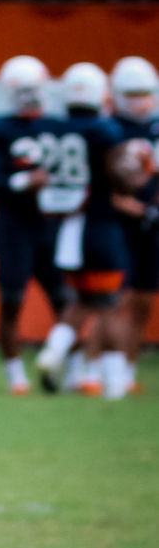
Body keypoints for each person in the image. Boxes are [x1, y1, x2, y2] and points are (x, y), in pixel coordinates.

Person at [33, 62, 139, 398]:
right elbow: (119, 177)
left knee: (81, 298)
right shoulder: (105, 131)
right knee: (110, 304)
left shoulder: (52, 127)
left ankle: (53, 352)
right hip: (100, 225)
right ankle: (116, 382)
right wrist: (136, 182)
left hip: (68, 227)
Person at [0, 55, 72, 394]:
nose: (31, 97)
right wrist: (25, 181)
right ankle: (15, 374)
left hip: (52, 225)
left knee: (66, 300)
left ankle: (71, 367)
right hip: (14, 227)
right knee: (11, 301)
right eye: (23, 91)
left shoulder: (61, 127)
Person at [109, 56, 159, 390]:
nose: (139, 101)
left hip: (151, 223)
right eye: (132, 94)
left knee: (143, 299)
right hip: (115, 224)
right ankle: (96, 368)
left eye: (144, 93)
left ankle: (127, 370)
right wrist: (124, 204)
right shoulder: (109, 129)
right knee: (111, 300)